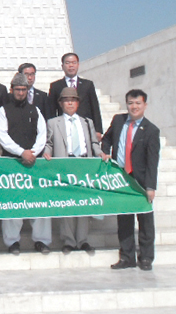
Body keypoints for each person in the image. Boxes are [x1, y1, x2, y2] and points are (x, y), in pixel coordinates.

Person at [102, 89, 160, 271]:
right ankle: (127, 257)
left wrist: (150, 186)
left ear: (145, 105)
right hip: (121, 178)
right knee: (124, 220)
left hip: (141, 180)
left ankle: (146, 257)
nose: (134, 107)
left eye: (138, 103)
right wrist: (104, 150)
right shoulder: (118, 121)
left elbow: (152, 161)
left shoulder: (151, 130)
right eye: (130, 103)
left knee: (145, 220)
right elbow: (107, 138)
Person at [0, 72, 49, 255]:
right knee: (13, 204)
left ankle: (41, 241)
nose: (20, 92)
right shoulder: (3, 111)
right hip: (12, 163)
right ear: (11, 90)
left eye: (23, 89)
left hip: (34, 163)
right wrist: (21, 152)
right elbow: (2, 136)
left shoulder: (35, 110)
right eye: (17, 89)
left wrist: (32, 152)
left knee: (39, 204)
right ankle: (12, 242)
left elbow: (43, 134)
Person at [42, 86, 101, 255]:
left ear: (78, 103)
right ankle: (68, 240)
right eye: (67, 100)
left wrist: (100, 153)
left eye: (73, 100)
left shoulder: (87, 122)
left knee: (83, 203)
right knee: (67, 203)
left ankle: (82, 240)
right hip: (65, 164)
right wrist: (46, 152)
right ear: (61, 103)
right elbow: (50, 143)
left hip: (83, 165)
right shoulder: (53, 122)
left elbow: (94, 143)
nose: (70, 103)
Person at [47, 53, 103, 135]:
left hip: (84, 127)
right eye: (68, 63)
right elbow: (51, 109)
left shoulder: (88, 84)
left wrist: (98, 130)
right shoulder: (56, 86)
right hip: (64, 128)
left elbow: (95, 107)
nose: (71, 65)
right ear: (62, 66)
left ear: (78, 65)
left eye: (74, 62)